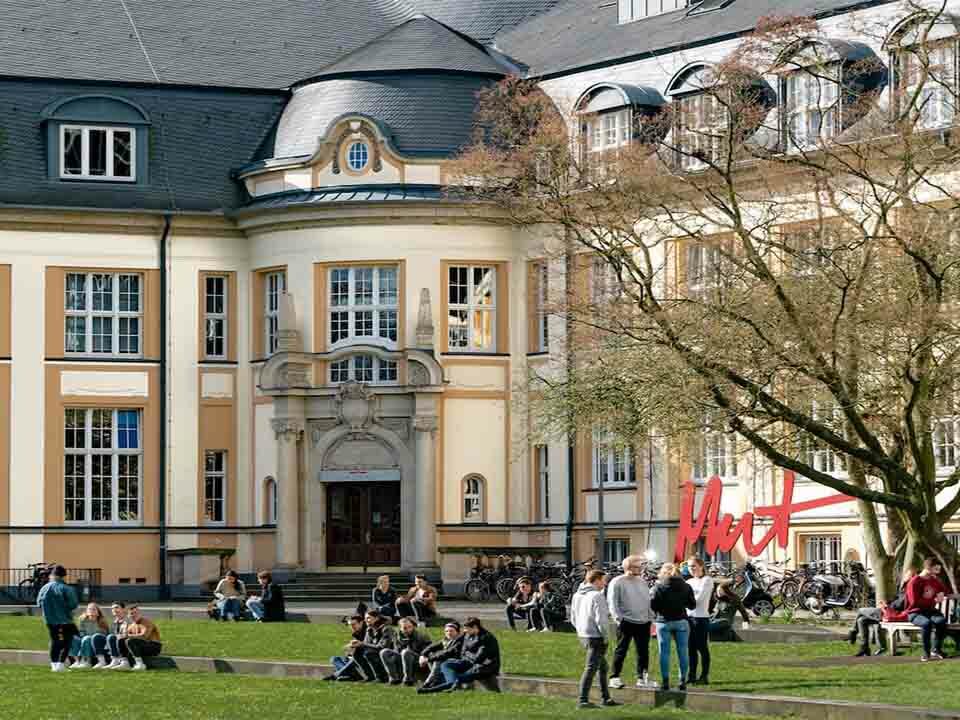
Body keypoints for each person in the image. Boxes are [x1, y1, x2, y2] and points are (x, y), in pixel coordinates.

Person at [571, 569, 619, 709]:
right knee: (591, 668)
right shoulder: (597, 595)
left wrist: (580, 630)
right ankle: (582, 700)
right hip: (595, 636)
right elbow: (601, 619)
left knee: (602, 667)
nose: (605, 584)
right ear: (597, 580)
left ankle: (606, 698)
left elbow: (573, 617)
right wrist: (606, 636)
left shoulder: (577, 595)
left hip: (583, 635)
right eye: (604, 580)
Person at [419, 617, 500, 693]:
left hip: (483, 667)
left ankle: (430, 690)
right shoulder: (467, 634)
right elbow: (455, 650)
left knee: (458, 678)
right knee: (445, 664)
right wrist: (429, 658)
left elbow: (478, 658)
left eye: (467, 628)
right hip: (467, 662)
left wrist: (466, 653)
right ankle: (444, 685)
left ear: (475, 627)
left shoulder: (486, 638)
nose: (464, 631)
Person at [607, 555, 652, 690]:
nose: (641, 568)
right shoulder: (617, 581)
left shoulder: (642, 581)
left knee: (643, 652)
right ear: (628, 567)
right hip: (626, 622)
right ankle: (614, 677)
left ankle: (642, 678)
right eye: (637, 566)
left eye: (641, 566)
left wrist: (650, 616)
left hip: (644, 621)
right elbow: (612, 602)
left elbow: (647, 600)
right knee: (621, 650)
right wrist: (618, 619)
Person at [650, 562, 695, 692]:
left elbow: (653, 605)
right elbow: (692, 605)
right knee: (683, 651)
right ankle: (682, 681)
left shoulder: (658, 586)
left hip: (663, 621)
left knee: (664, 652)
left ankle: (665, 682)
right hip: (681, 620)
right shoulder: (686, 586)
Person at [848, 569, 914, 657]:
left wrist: (886, 606)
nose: (905, 576)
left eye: (908, 575)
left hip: (892, 614)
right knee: (861, 620)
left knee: (861, 610)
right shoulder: (904, 587)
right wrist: (887, 603)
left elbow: (900, 605)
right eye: (905, 574)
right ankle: (864, 648)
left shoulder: (910, 588)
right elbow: (897, 601)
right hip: (889, 611)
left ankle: (853, 632)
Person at [906, 557, 952, 662]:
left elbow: (945, 589)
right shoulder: (914, 582)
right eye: (936, 569)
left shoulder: (934, 579)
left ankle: (936, 649)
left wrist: (941, 593)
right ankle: (926, 653)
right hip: (915, 612)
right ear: (928, 568)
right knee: (926, 624)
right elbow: (915, 602)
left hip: (930, 611)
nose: (938, 572)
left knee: (941, 621)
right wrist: (935, 600)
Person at [36, 564, 79, 672]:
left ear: (52, 575)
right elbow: (73, 604)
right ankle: (60, 664)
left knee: (54, 641)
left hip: (49, 620)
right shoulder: (66, 588)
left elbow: (38, 603)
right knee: (67, 642)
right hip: (65, 620)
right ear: (63, 576)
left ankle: (54, 664)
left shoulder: (44, 588)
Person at [685, 556, 714, 685]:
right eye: (689, 567)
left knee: (702, 647)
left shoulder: (707, 580)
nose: (691, 569)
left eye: (693, 566)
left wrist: (688, 601)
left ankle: (704, 675)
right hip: (689, 617)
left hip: (701, 618)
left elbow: (699, 599)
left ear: (701, 566)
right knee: (690, 648)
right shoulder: (689, 582)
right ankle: (691, 675)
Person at [381, 616, 432, 685]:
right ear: (400, 629)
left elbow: (427, 651)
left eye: (410, 627)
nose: (408, 630)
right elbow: (396, 650)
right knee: (384, 652)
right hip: (403, 657)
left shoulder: (421, 636)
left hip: (419, 659)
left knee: (406, 651)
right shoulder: (397, 636)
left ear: (413, 626)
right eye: (405, 628)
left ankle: (408, 680)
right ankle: (394, 679)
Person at [351, 609, 397, 683]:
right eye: (365, 619)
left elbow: (382, 647)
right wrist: (356, 645)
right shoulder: (369, 630)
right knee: (356, 653)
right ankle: (370, 676)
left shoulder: (387, 629)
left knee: (369, 653)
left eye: (368, 618)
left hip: (389, 655)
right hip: (376, 653)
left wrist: (362, 644)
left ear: (377, 618)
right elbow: (366, 644)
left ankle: (381, 677)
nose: (366, 620)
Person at [112, 605, 162, 671]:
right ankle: (125, 663)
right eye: (131, 614)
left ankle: (140, 664)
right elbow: (124, 635)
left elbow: (144, 636)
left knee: (130, 641)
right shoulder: (131, 625)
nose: (134, 615)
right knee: (121, 640)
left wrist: (127, 635)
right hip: (140, 646)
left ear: (140, 613)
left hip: (153, 646)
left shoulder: (146, 622)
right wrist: (122, 634)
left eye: (136, 613)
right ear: (128, 616)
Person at [418, 621, 465, 690]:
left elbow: (447, 653)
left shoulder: (459, 641)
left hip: (458, 661)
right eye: (447, 631)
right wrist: (422, 656)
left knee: (437, 660)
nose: (449, 633)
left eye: (451, 631)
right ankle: (435, 681)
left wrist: (428, 659)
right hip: (447, 660)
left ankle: (428, 683)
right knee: (432, 656)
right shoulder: (445, 640)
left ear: (457, 632)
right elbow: (430, 647)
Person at [326, 615, 369, 682]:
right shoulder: (356, 633)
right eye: (350, 625)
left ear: (361, 623)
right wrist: (349, 653)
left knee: (354, 658)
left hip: (365, 658)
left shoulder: (367, 632)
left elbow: (365, 647)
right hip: (355, 657)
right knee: (334, 659)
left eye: (354, 624)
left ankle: (336, 675)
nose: (352, 627)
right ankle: (351, 676)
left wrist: (353, 650)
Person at [67, 603, 109, 670]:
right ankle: (77, 661)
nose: (91, 611)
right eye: (89, 609)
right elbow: (80, 632)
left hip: (95, 645)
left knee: (87, 638)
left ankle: (87, 661)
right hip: (83, 640)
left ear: (98, 613)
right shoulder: (82, 620)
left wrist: (85, 638)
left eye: (94, 609)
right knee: (72, 638)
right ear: (86, 611)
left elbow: (102, 636)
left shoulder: (102, 622)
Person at [101, 602, 128, 670]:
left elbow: (126, 634)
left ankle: (123, 661)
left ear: (123, 609)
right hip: (117, 643)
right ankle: (114, 660)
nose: (114, 610)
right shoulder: (114, 622)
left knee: (112, 637)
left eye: (116, 607)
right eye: (112, 608)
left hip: (126, 643)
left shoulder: (128, 620)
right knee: (109, 637)